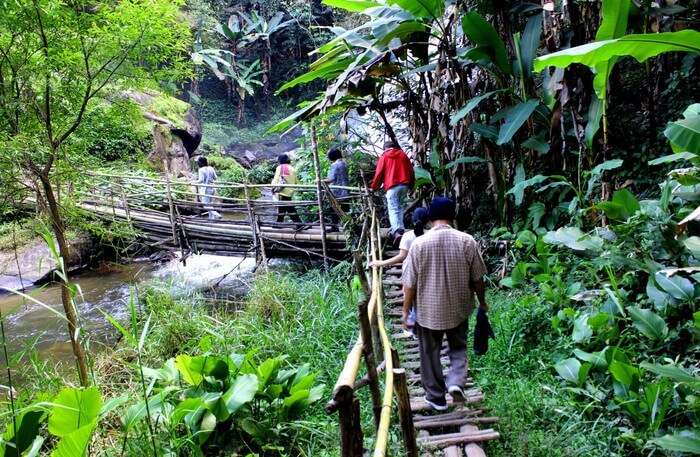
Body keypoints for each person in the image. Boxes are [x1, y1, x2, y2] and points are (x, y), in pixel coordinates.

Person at [402, 197, 488, 411]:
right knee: (458, 348)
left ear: (430, 218)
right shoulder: (467, 241)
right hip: (459, 309)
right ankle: (456, 382)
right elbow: (478, 279)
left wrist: (406, 311)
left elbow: (409, 284)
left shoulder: (419, 244)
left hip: (428, 312)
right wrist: (482, 301)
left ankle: (436, 397)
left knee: (429, 354)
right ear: (453, 216)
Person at [369, 207, 430, 334]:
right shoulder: (430, 235)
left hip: (411, 274)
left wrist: (381, 263)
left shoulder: (408, 236)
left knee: (412, 301)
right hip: (428, 273)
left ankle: (413, 329)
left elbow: (401, 257)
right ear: (427, 221)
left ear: (413, 220)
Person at [370, 139, 414, 238]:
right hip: (404, 186)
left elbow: (379, 174)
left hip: (392, 186)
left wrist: (374, 187)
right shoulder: (403, 155)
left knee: (393, 208)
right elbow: (411, 171)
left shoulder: (384, 156)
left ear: (385, 149)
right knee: (400, 207)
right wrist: (411, 186)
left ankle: (397, 231)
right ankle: (400, 229)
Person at [271, 154, 302, 223]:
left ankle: (299, 224)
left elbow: (276, 180)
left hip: (282, 191)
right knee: (283, 208)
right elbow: (296, 181)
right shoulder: (292, 168)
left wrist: (272, 188)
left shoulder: (280, 167)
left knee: (289, 208)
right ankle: (279, 223)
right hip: (290, 191)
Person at [324, 147, 350, 223]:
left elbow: (331, 179)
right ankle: (348, 226)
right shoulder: (344, 163)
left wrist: (319, 181)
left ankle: (335, 226)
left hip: (337, 192)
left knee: (334, 209)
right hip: (345, 191)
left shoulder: (335, 165)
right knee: (345, 210)